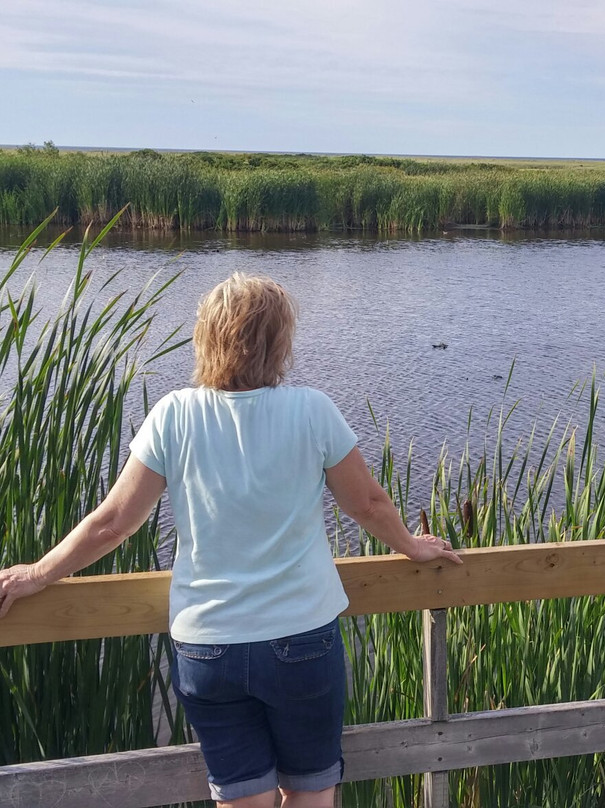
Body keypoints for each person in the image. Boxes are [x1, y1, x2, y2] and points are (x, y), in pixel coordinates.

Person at [0, 273, 463, 808]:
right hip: (301, 639)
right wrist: (413, 546)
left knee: (243, 802)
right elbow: (368, 505)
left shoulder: (173, 414)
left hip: (208, 646)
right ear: (279, 342)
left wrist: (36, 574)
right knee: (311, 796)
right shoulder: (312, 410)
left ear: (207, 338)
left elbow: (112, 524)